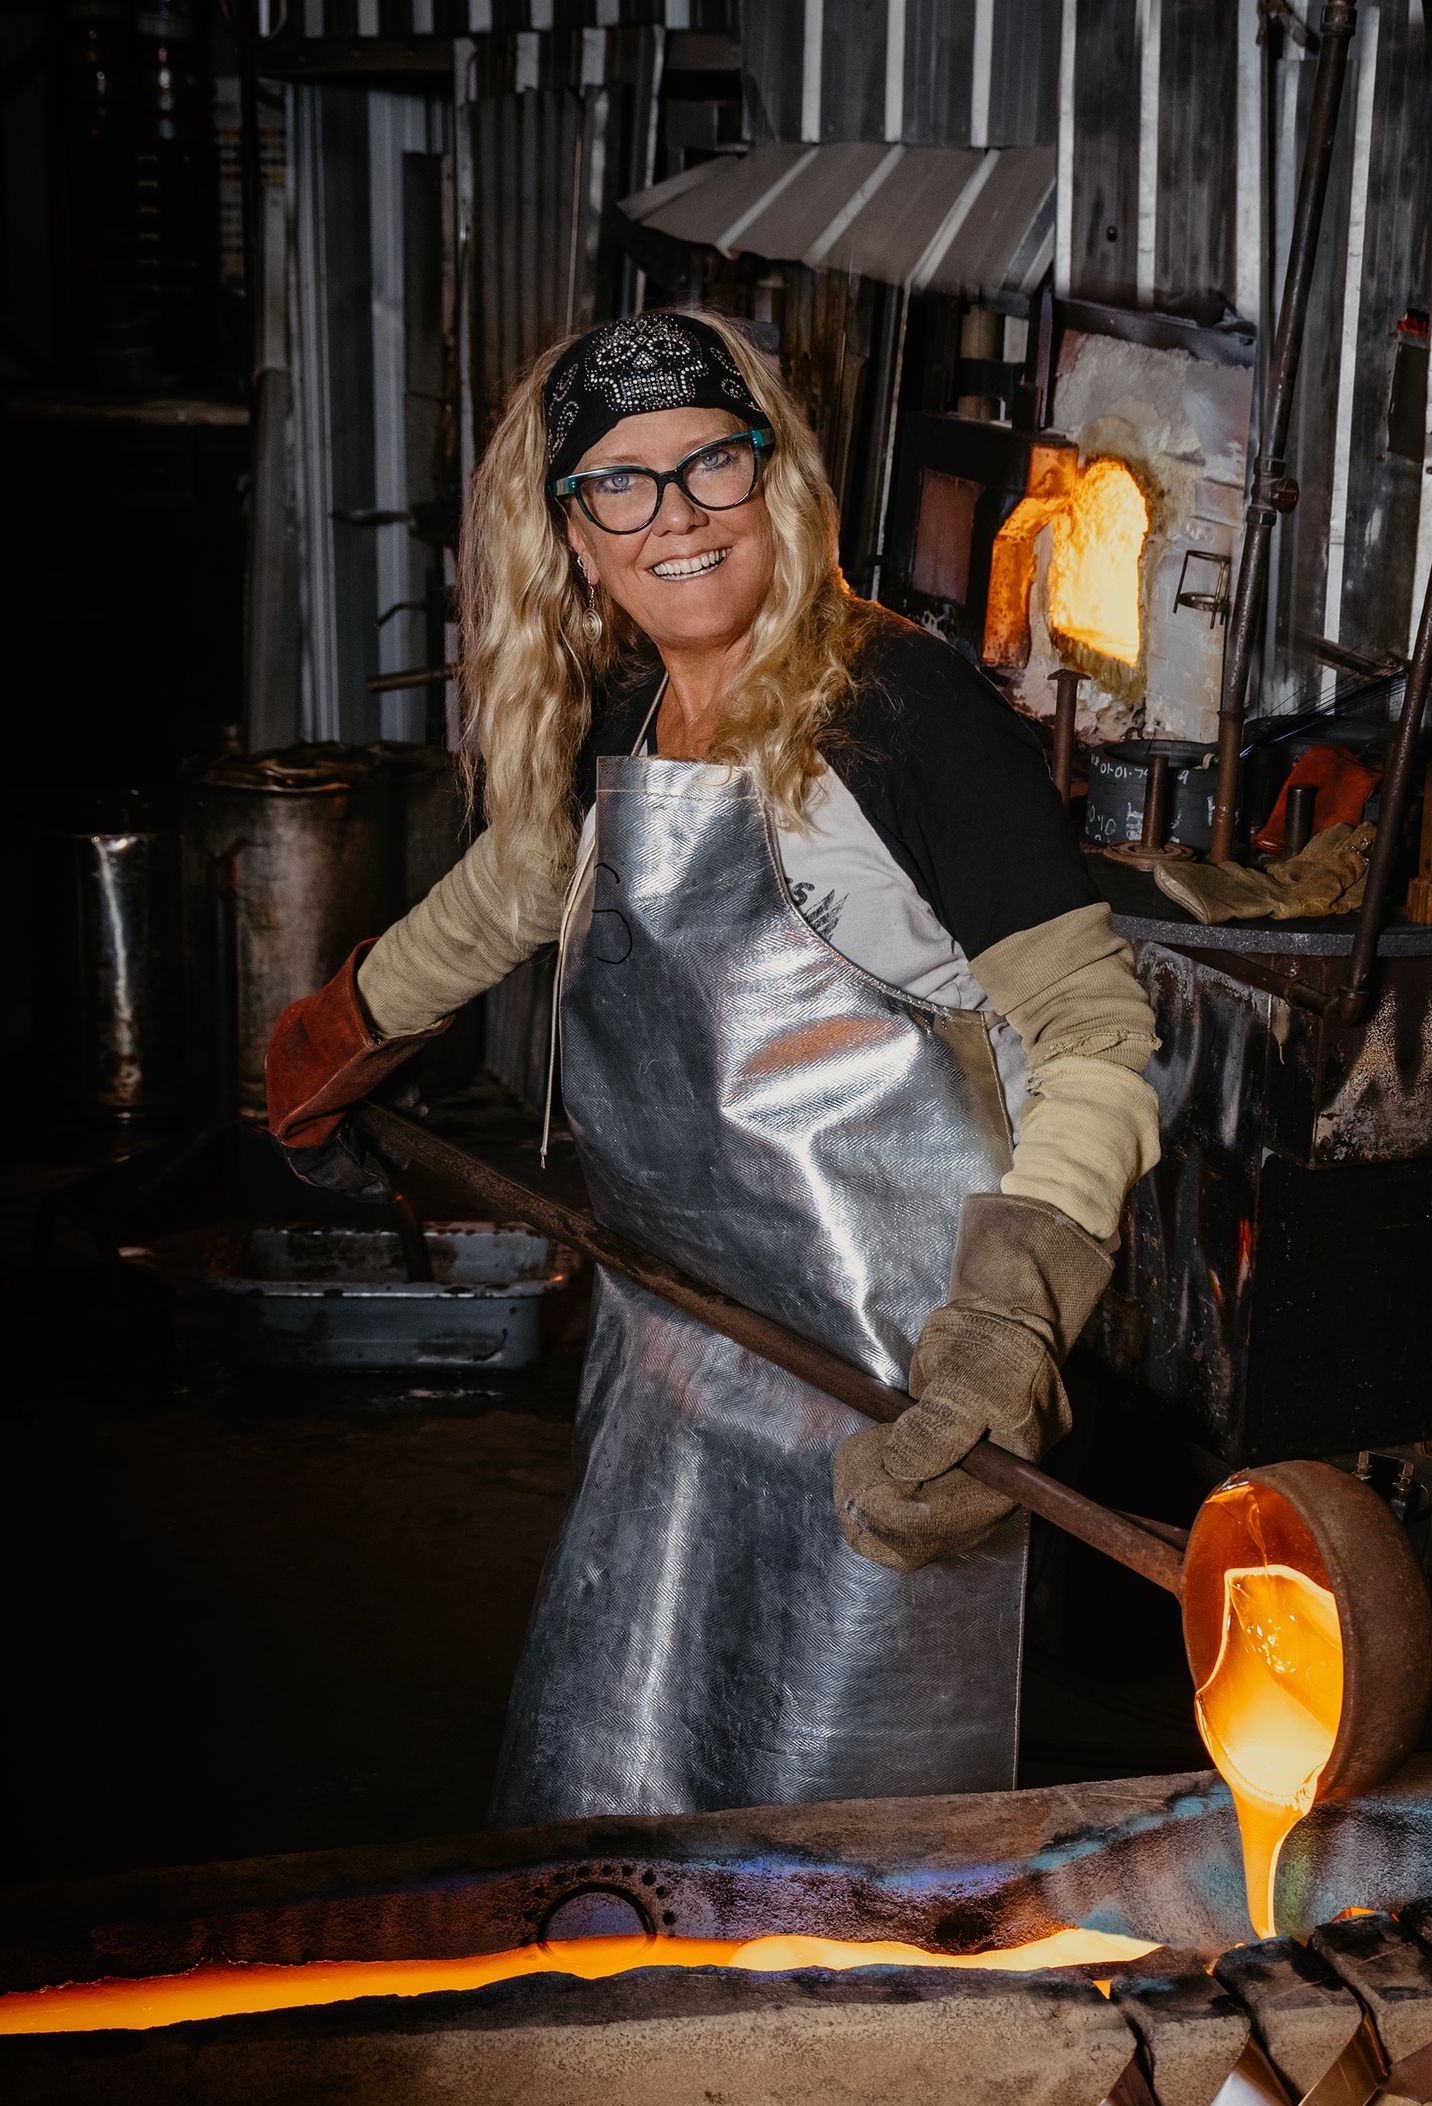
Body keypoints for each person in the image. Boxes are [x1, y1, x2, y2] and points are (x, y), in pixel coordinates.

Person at [264, 310, 1160, 1824]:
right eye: (621, 486)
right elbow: (510, 893)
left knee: (844, 1851)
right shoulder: (621, 714)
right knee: (623, 1775)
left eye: (709, 466)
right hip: (679, 1359)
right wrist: (341, 1028)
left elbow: (1095, 1036)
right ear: (575, 537)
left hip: (895, 1413)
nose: (674, 516)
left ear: (777, 481)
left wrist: (1008, 1332)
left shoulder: (904, 715)